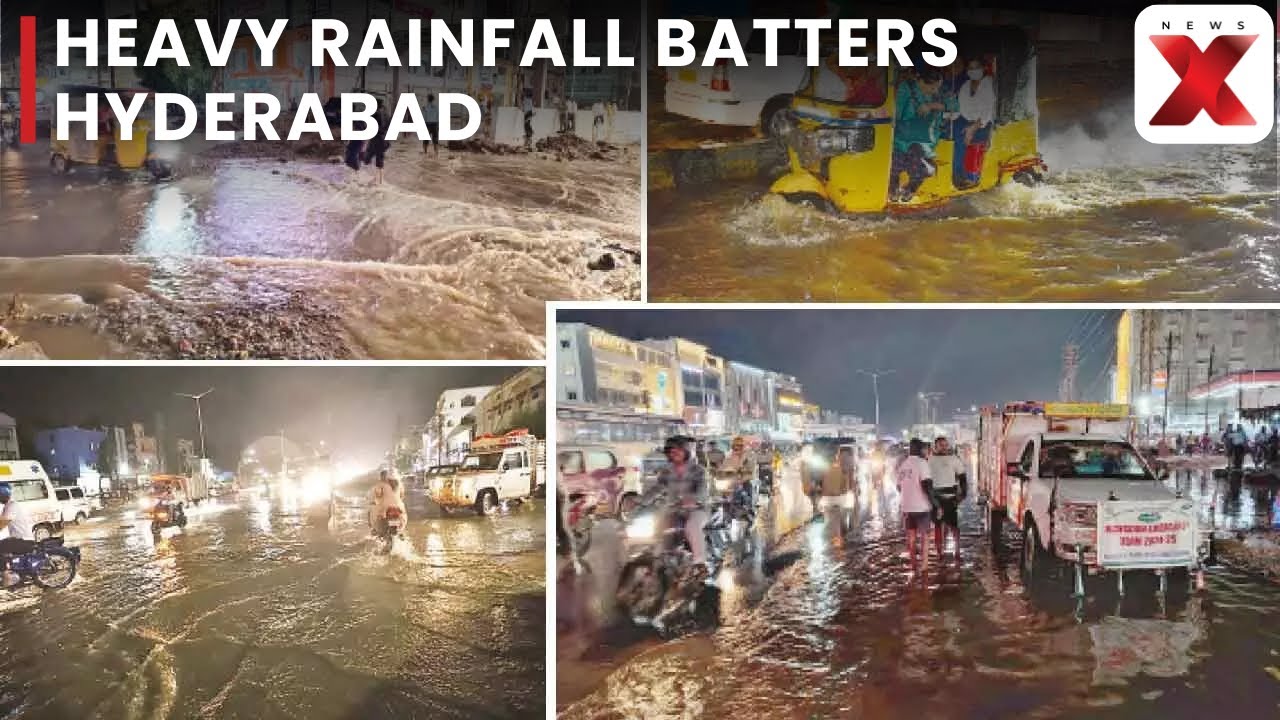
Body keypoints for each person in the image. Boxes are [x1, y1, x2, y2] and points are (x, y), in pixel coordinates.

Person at [652, 437, 711, 575]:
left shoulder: (698, 470)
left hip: (697, 509)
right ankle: (657, 557)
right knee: (656, 524)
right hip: (673, 509)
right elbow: (656, 489)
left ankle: (699, 563)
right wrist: (639, 501)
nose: (675, 454)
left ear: (686, 452)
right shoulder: (666, 471)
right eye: (671, 451)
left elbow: (702, 491)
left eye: (678, 450)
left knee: (692, 527)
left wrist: (693, 499)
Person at [890, 69, 947, 202]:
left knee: (917, 163)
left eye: (937, 87)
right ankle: (893, 189)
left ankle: (911, 188)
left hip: (923, 138)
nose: (935, 91)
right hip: (902, 135)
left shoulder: (937, 94)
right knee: (895, 163)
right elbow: (897, 112)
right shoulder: (906, 89)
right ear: (921, 82)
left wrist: (932, 105)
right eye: (932, 87)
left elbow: (954, 105)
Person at [952, 58, 996, 188]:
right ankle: (956, 172)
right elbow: (960, 108)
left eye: (976, 67)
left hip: (983, 123)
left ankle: (964, 175)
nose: (973, 71)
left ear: (982, 68)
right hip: (965, 120)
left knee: (963, 136)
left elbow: (988, 111)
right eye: (971, 68)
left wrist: (973, 128)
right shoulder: (966, 86)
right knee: (949, 131)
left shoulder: (989, 84)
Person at [896, 439, 936, 577]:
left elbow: (898, 487)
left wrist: (908, 495)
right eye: (924, 449)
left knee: (911, 537)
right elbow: (927, 486)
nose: (926, 451)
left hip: (907, 507)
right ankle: (924, 566)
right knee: (925, 536)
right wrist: (936, 504)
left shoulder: (903, 465)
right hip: (922, 507)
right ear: (919, 449)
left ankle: (913, 565)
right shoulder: (922, 463)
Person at [928, 436, 967, 563]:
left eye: (946, 445)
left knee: (954, 527)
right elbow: (926, 481)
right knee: (938, 526)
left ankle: (957, 552)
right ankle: (940, 553)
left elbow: (962, 476)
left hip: (951, 498)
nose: (944, 447)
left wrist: (963, 494)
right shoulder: (929, 460)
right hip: (936, 499)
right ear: (935, 446)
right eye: (941, 445)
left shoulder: (954, 459)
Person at [0, 483, 35, 588]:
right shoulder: (9, 506)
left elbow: (2, 523)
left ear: (2, 494)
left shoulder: (11, 506)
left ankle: (7, 577)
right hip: (19, 539)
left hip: (24, 540)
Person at [369, 470, 406, 535]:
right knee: (403, 516)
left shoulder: (381, 484)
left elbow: (378, 495)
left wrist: (374, 501)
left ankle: (373, 529)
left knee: (372, 512)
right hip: (398, 508)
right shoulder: (400, 484)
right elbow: (402, 496)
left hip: (385, 508)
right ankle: (401, 531)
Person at [422, 94, 440, 159]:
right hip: (435, 124)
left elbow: (424, 117)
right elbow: (438, 117)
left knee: (425, 140)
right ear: (433, 99)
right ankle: (436, 153)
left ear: (427, 99)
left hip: (427, 124)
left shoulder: (425, 107)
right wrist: (438, 125)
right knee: (435, 140)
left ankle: (425, 152)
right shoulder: (436, 107)